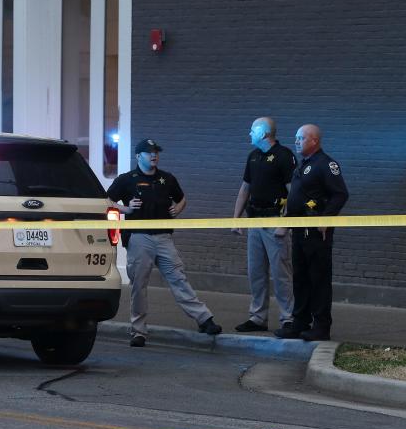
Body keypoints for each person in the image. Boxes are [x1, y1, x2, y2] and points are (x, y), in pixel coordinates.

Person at [107, 138, 222, 347]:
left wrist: (179, 209)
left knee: (178, 278)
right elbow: (106, 201)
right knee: (139, 285)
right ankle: (138, 331)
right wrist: (125, 209)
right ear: (138, 156)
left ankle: (205, 319)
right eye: (149, 152)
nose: (154, 155)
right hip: (139, 238)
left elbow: (182, 198)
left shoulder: (167, 179)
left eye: (156, 152)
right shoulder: (127, 179)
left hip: (164, 238)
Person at [275, 124, 348, 341]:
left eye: (301, 138)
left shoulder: (327, 164)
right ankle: (300, 323)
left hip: (317, 234)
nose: (296, 141)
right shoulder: (303, 165)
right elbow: (297, 201)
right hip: (299, 231)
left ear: (314, 141)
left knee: (318, 280)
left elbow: (340, 194)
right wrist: (286, 224)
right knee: (301, 279)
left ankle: (321, 326)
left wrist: (326, 219)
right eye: (296, 138)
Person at [231, 117, 297, 332]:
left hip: (275, 221)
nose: (249, 133)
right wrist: (236, 218)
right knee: (256, 272)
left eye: (252, 130)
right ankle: (258, 317)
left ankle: (288, 318)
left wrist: (285, 224)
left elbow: (294, 193)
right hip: (255, 222)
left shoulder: (284, 156)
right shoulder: (253, 157)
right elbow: (244, 189)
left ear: (263, 132)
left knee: (281, 273)